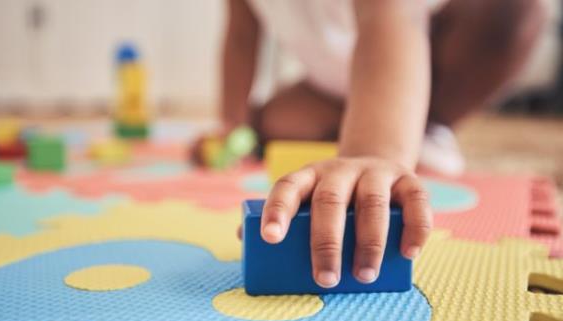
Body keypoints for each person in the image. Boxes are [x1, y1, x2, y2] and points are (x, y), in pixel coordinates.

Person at [205, 0, 545, 288]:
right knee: (272, 121)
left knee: (515, 11)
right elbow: (241, 37)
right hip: (338, 75)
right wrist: (234, 127)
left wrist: (373, 157)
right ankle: (383, 120)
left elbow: (392, 15)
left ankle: (417, 123)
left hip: (425, 49)